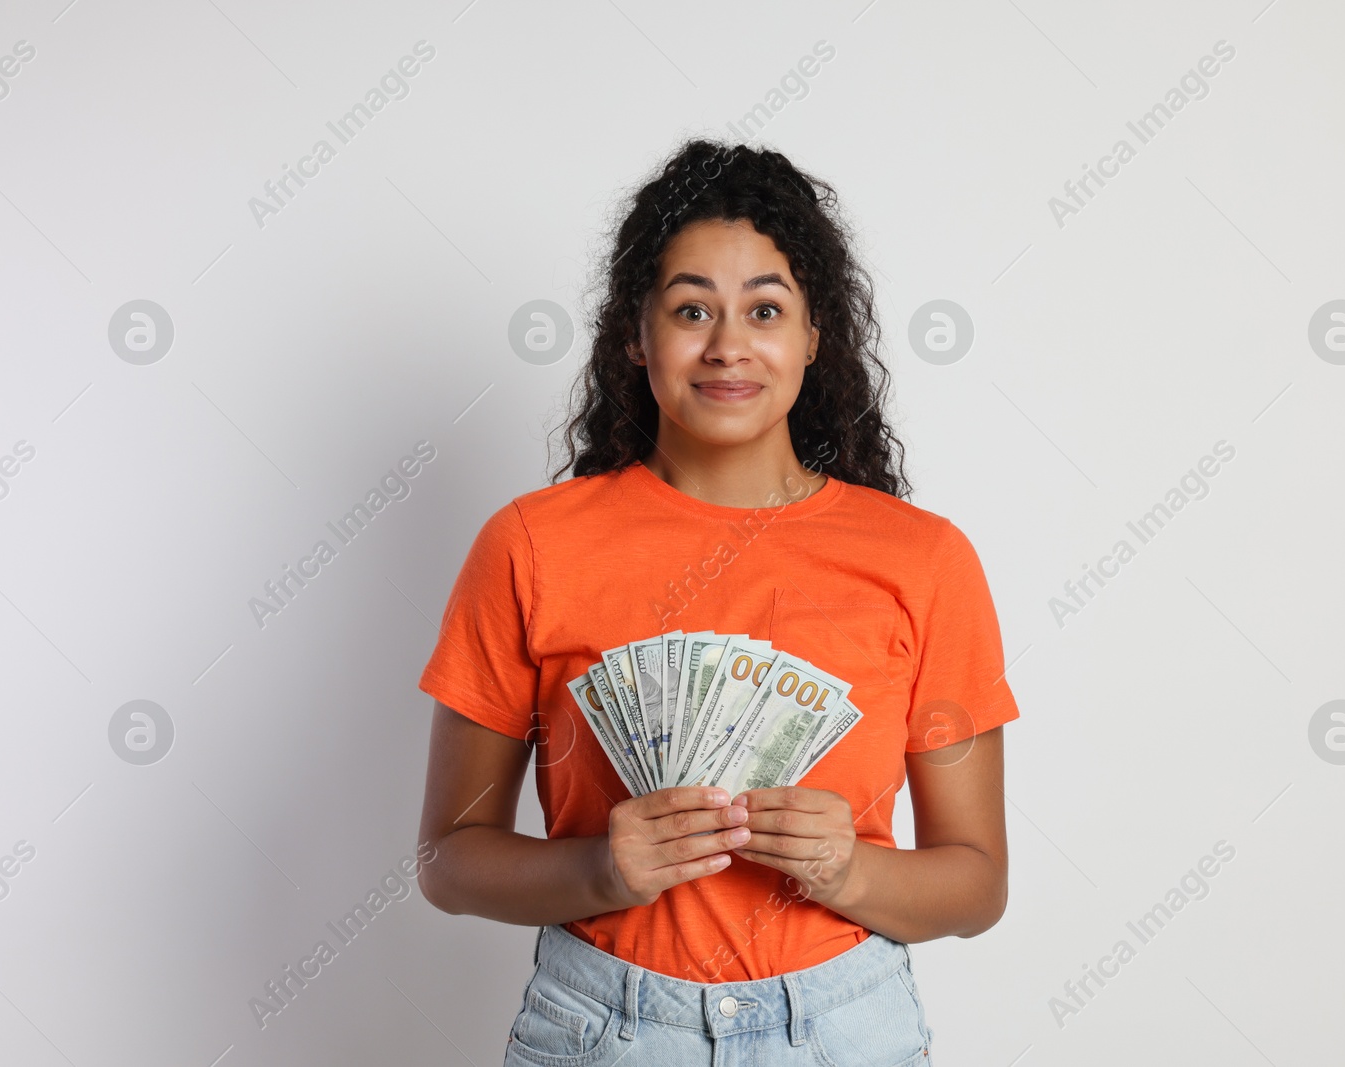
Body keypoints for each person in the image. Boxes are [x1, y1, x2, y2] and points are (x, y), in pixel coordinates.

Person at [416, 137, 1020, 1065]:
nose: (728, 345)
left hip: (847, 1027)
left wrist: (848, 867)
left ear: (815, 336)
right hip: (602, 1025)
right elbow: (449, 859)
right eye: (691, 307)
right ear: (635, 332)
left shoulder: (925, 560)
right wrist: (599, 867)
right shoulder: (532, 545)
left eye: (766, 309)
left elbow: (977, 883)